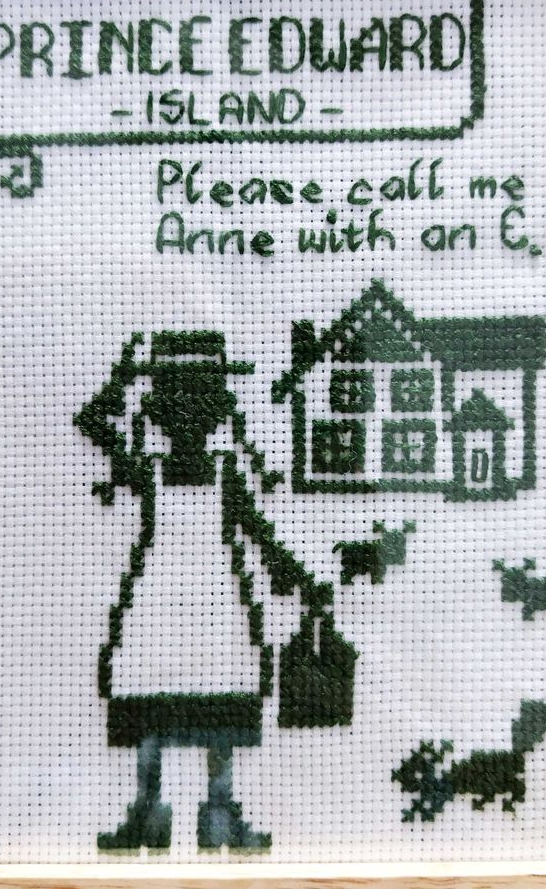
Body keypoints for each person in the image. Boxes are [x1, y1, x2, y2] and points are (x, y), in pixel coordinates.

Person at [75, 330, 353, 853]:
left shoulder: (224, 475)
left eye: (198, 412)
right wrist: (123, 376)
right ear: (159, 416)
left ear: (216, 416)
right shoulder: (151, 472)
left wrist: (300, 579)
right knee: (151, 702)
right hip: (162, 603)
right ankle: (152, 813)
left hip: (215, 603)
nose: (188, 424)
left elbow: (259, 536)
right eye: (175, 411)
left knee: (219, 705)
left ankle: (214, 813)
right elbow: (92, 423)